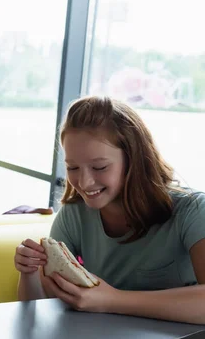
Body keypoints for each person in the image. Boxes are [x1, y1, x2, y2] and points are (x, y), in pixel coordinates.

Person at [14, 95, 205, 324]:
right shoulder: (74, 214)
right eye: (72, 167)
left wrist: (113, 300)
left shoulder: (192, 211)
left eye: (99, 167)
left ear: (134, 159)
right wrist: (29, 273)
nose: (84, 182)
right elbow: (44, 301)